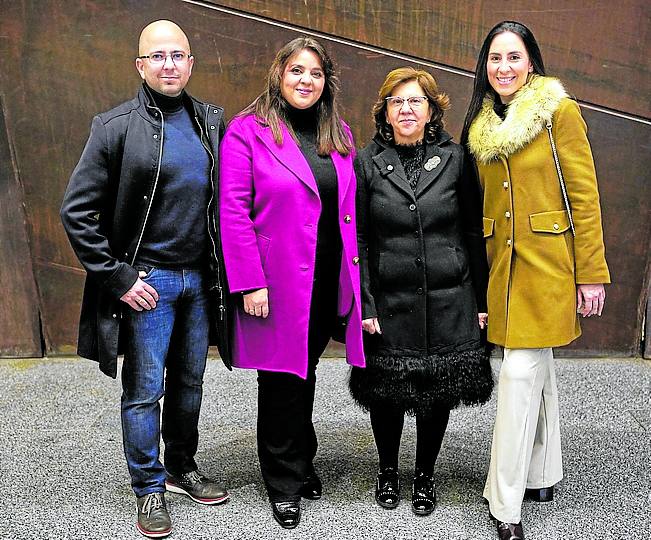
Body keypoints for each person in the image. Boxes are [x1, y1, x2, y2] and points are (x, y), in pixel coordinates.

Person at [60, 20, 231, 539]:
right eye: (157, 56)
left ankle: (181, 467)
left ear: (191, 63)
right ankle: (149, 488)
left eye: (178, 55)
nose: (169, 64)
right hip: (147, 286)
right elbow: (77, 211)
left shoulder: (210, 121)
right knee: (143, 392)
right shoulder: (114, 127)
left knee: (190, 385)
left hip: (199, 282)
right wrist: (118, 277)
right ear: (140, 65)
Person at [460, 20, 610, 540]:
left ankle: (504, 503)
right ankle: (545, 472)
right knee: (535, 365)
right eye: (495, 58)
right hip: (502, 270)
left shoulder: (556, 112)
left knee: (518, 376)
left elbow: (584, 195)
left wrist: (591, 272)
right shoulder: (479, 124)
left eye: (514, 58)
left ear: (532, 63)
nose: (503, 68)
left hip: (549, 265)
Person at [219, 37, 365, 529]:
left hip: (325, 280)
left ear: (327, 82)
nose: (306, 80)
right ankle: (283, 481)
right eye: (297, 71)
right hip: (275, 283)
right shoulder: (247, 132)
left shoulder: (337, 133)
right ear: (279, 74)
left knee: (305, 372)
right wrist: (249, 283)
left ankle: (301, 462)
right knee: (281, 381)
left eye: (316, 73)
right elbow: (233, 211)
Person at [349, 67, 494, 516]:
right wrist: (365, 302)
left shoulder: (455, 158)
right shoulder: (367, 161)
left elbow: (473, 230)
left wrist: (483, 302)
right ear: (384, 112)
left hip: (449, 299)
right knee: (387, 393)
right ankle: (388, 471)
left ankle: (425, 476)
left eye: (415, 101)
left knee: (437, 392)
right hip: (389, 303)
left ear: (431, 110)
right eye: (397, 102)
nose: (406, 109)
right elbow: (360, 239)